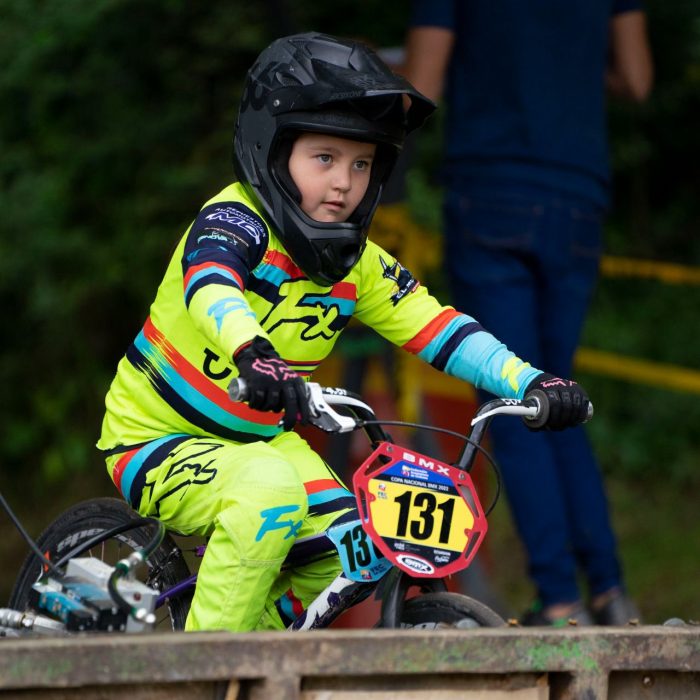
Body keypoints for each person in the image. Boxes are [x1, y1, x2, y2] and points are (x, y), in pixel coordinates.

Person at [97, 32, 593, 632]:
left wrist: (531, 380)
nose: (343, 183)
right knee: (268, 496)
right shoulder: (234, 220)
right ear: (273, 154)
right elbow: (213, 287)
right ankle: (199, 676)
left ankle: (254, 651)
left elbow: (440, 328)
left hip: (260, 444)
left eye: (361, 164)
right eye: (324, 159)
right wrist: (252, 353)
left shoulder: (356, 264)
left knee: (359, 549)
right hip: (156, 439)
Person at [401, 2, 653, 625]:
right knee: (559, 391)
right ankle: (610, 592)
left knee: (514, 397)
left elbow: (423, 90)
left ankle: (560, 600)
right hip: (577, 195)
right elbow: (637, 80)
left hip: (494, 192)